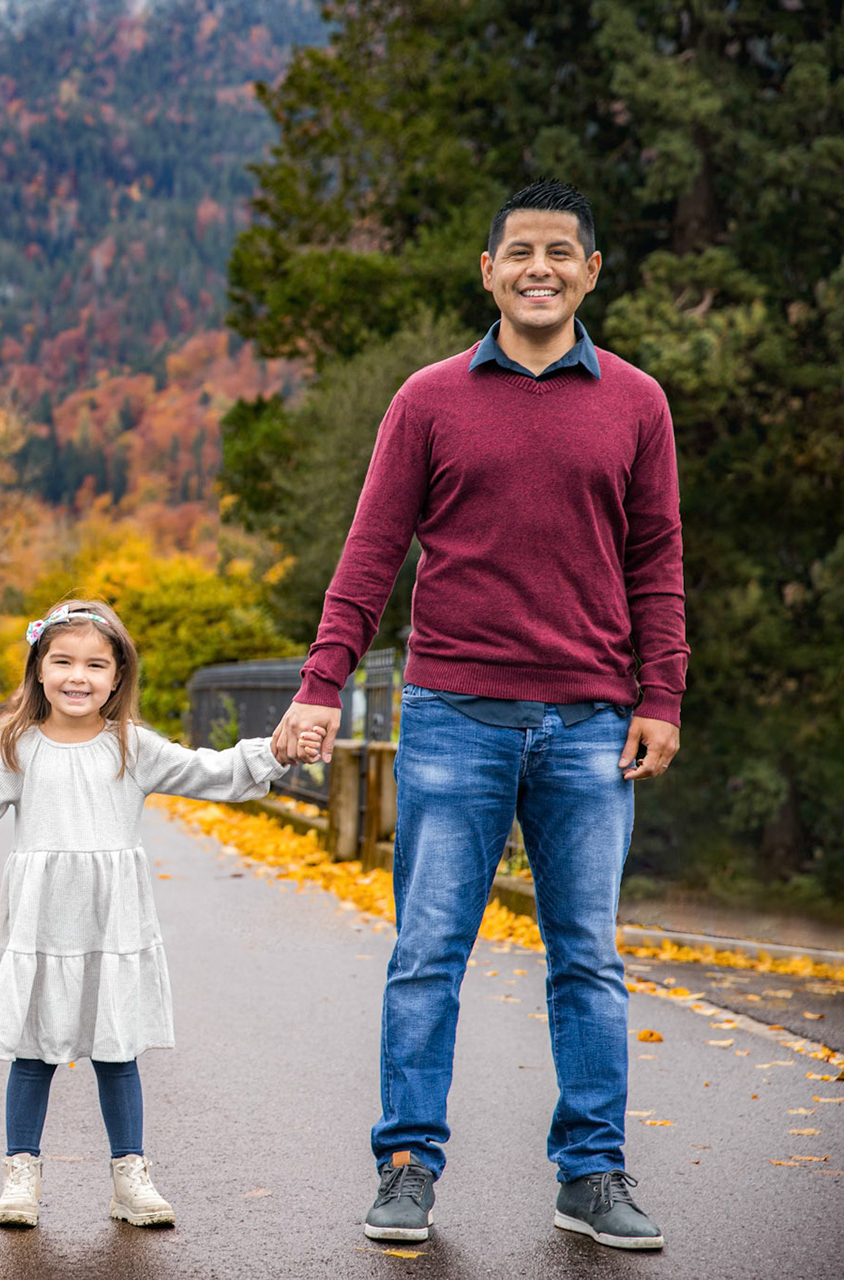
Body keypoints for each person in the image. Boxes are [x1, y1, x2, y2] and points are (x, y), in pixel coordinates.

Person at [270, 179, 687, 1251]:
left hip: (591, 723)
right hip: (453, 715)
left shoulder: (637, 402)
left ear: (591, 272)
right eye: (521, 253)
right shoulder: (428, 399)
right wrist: (322, 683)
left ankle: (591, 1172)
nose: (540, 268)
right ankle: (407, 1163)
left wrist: (662, 693)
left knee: (588, 959)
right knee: (428, 952)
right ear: (490, 271)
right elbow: (372, 551)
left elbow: (656, 560)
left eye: (561, 252)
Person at [0, 601, 315, 1229]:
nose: (78, 676)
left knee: (117, 1050)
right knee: (33, 1053)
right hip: (42, 926)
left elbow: (209, 771)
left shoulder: (133, 747)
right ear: (39, 669)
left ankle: (130, 1176)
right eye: (63, 662)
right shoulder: (18, 749)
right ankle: (21, 1173)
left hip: (113, 928)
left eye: (95, 665)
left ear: (117, 676)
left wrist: (275, 752)